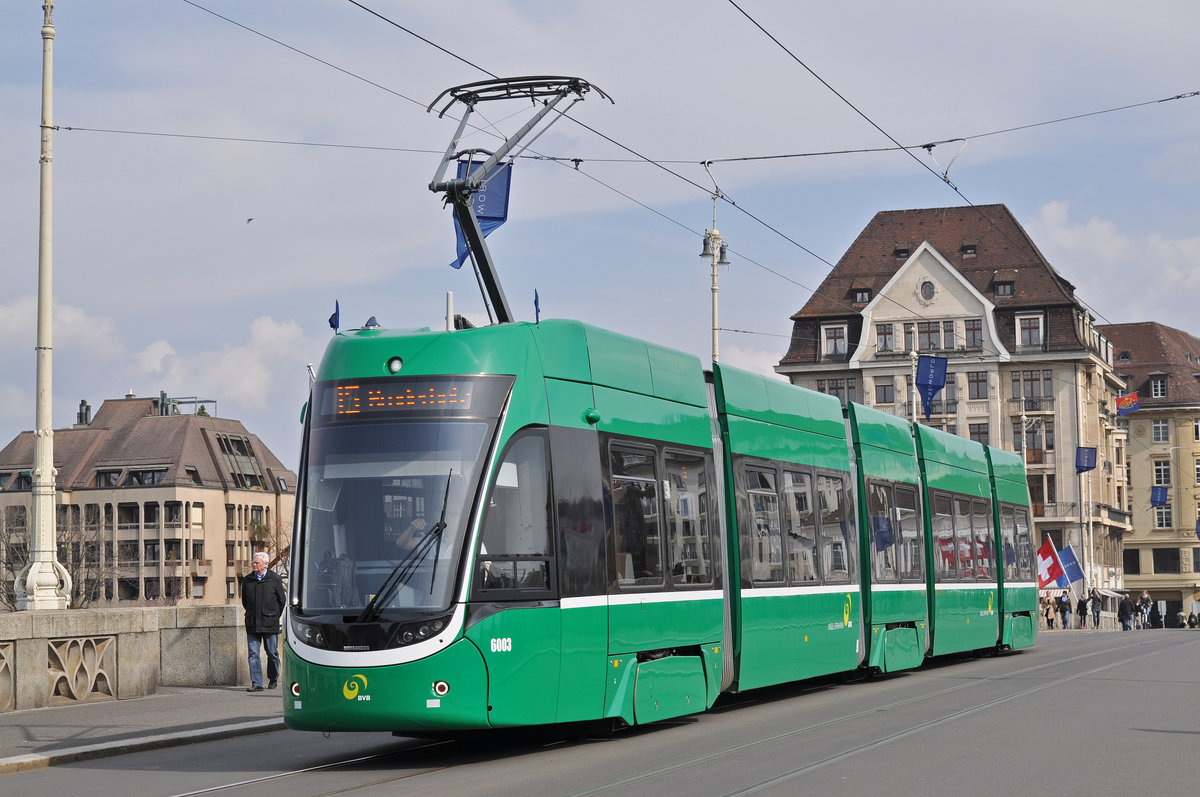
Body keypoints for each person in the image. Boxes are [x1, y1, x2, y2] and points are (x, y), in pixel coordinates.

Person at [242, 551, 287, 692]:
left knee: (272, 653)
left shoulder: (275, 579)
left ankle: (273, 677)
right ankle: (257, 683)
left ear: (266, 564)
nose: (254, 565)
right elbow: (245, 601)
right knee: (253, 654)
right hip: (252, 623)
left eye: (257, 563)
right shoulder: (247, 580)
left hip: (269, 622)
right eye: (253, 562)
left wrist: (273, 616)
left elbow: (281, 601)